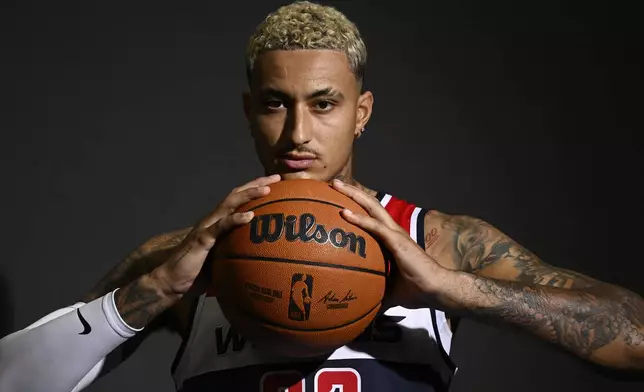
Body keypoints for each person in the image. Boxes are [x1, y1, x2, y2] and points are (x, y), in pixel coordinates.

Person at [1, 1, 643, 391]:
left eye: (324, 104)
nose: (298, 133)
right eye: (276, 105)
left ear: (361, 112)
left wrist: (457, 291)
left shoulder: (436, 241)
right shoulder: (185, 261)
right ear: (249, 111)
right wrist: (158, 290)